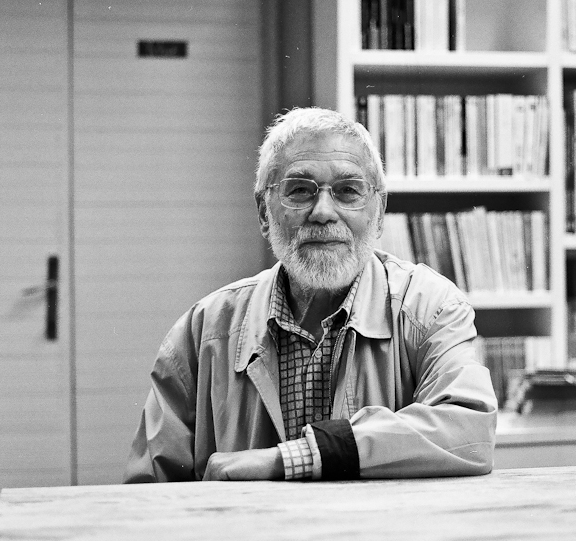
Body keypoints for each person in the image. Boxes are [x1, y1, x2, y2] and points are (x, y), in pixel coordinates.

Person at [124, 107, 497, 483]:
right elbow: (149, 492)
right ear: (264, 212)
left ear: (379, 211)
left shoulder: (429, 309)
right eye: (300, 190)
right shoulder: (202, 331)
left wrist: (293, 458)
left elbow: (469, 430)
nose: (323, 212)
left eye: (348, 191)